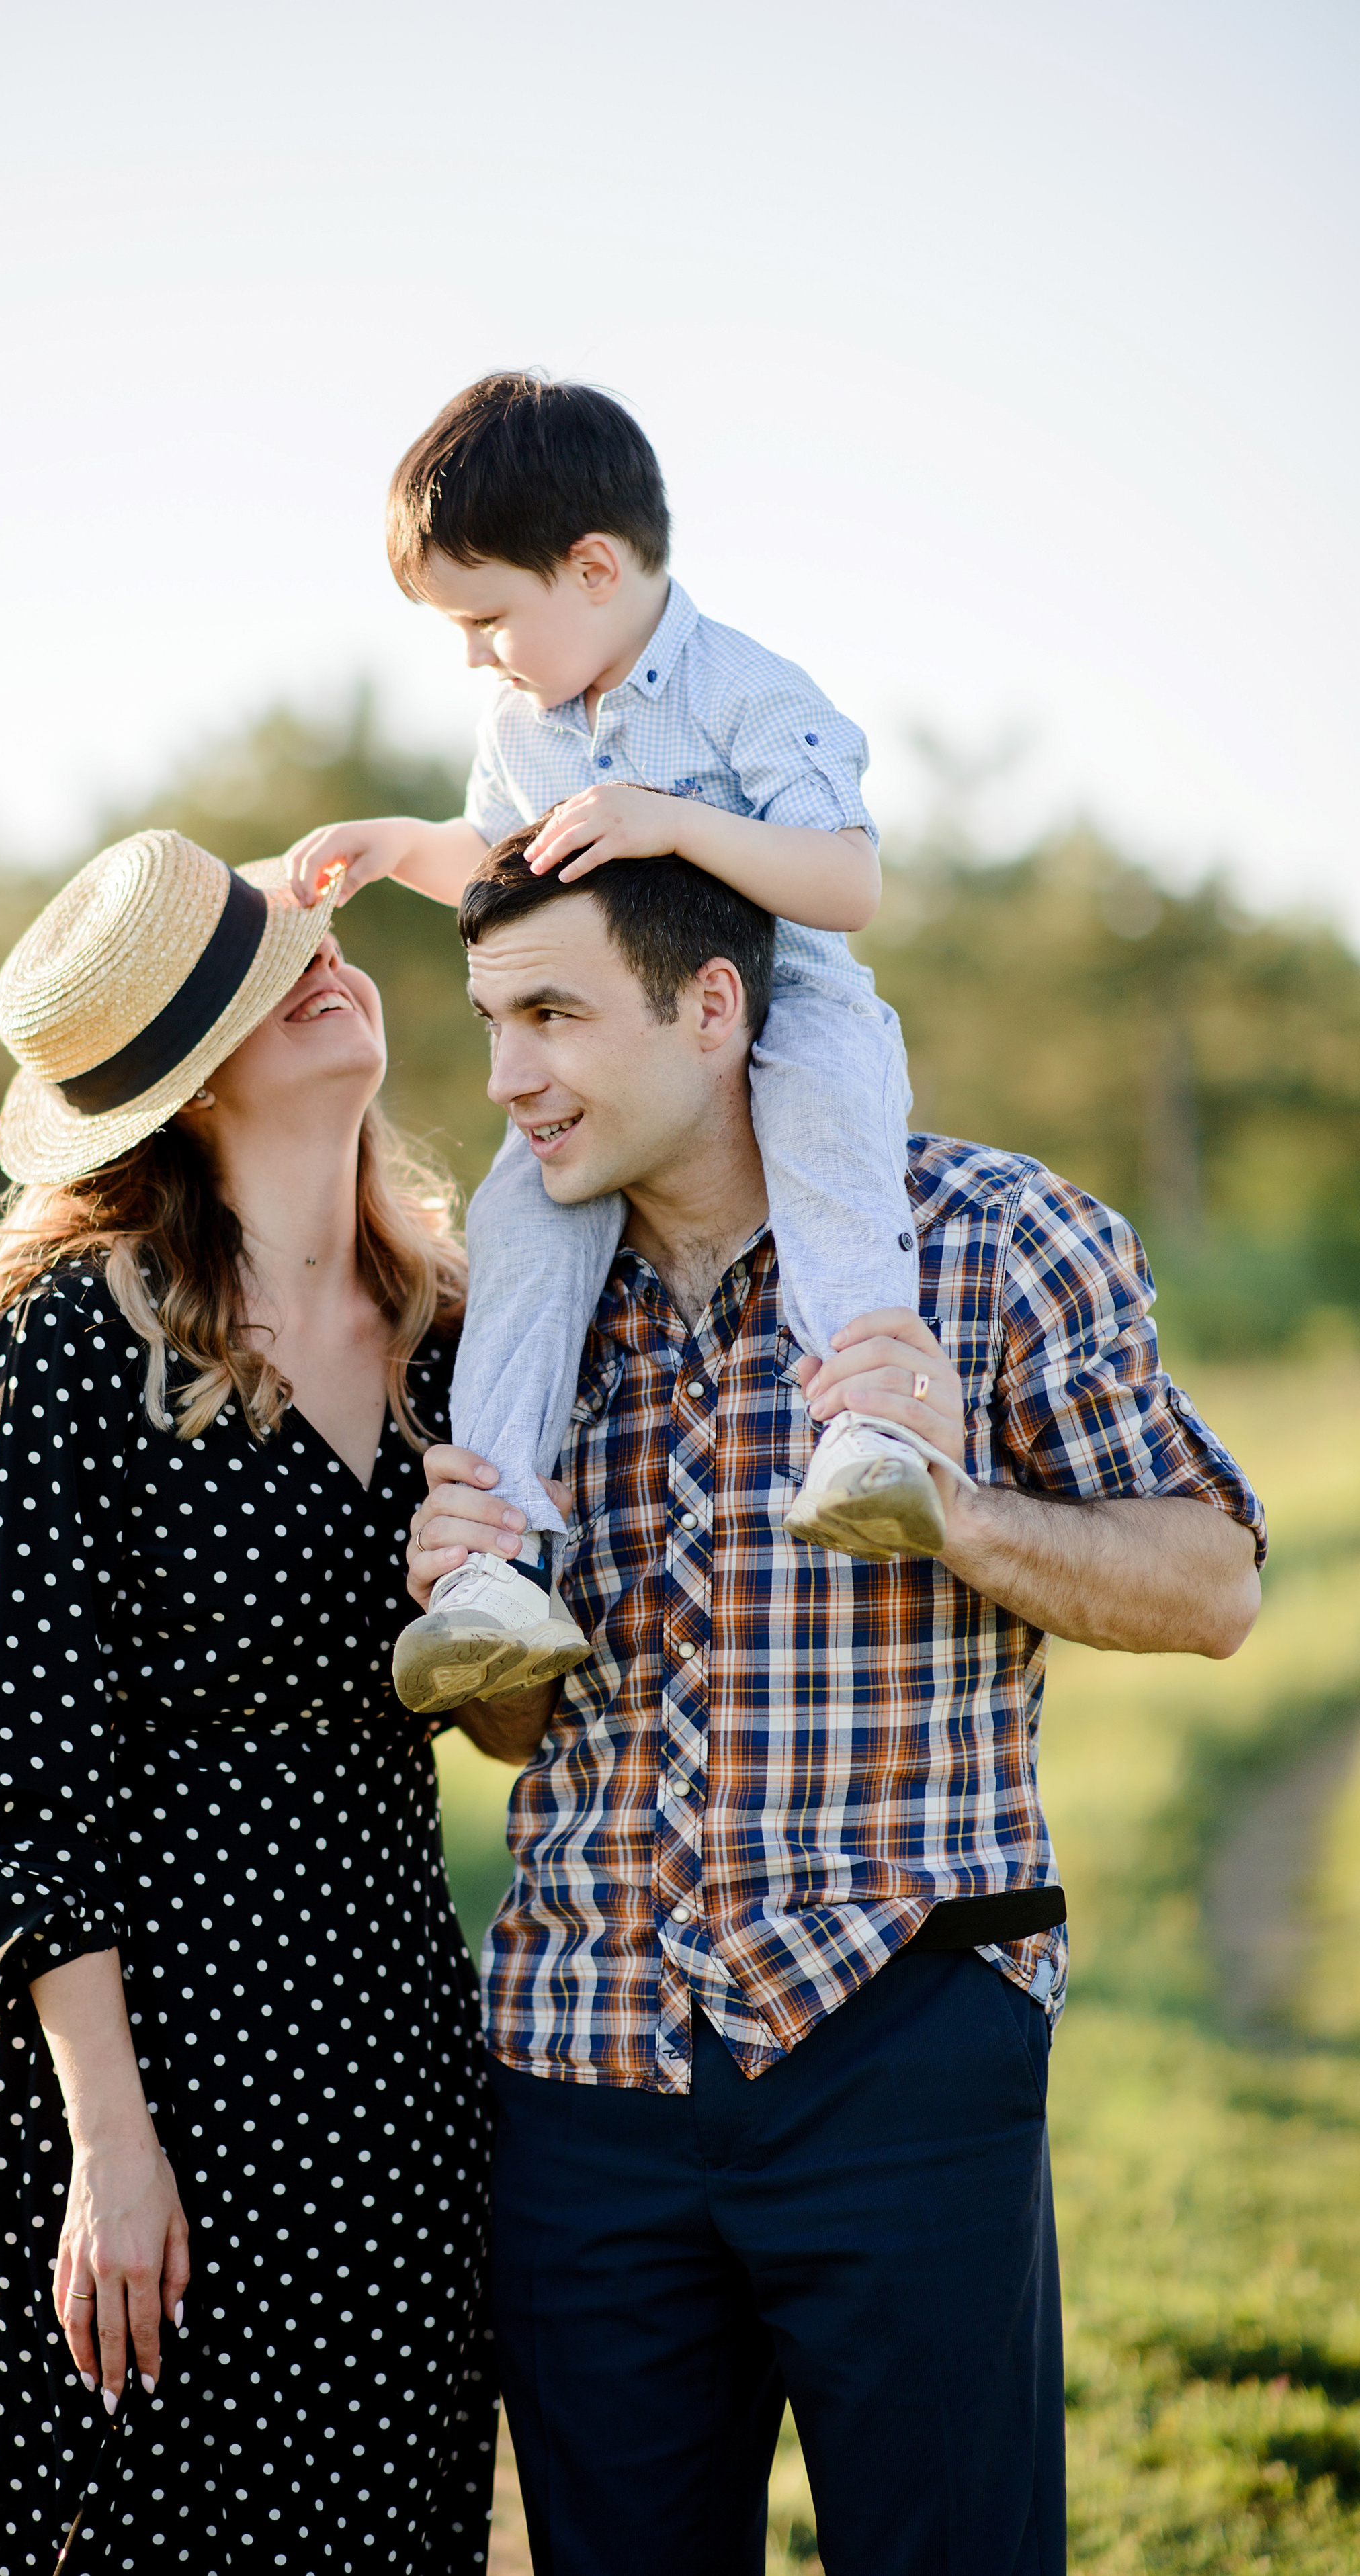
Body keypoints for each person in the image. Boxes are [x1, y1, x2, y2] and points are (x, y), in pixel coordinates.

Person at [404, 826, 1266, 2576]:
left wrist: (952, 1504)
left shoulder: (989, 1237)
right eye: (492, 1022)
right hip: (582, 2069)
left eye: (555, 1015)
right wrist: (468, 1600)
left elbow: (1215, 1579)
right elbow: (514, 1740)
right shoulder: (506, 1310)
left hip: (897, 2032)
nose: (509, 1081)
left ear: (713, 1005)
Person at [0, 830, 497, 2575]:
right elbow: (4, 1801)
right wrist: (113, 2144)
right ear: (179, 1081)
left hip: (389, 2056)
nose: (321, 956)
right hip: (150, 2066)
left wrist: (479, 1606)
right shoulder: (66, 1350)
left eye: (299, 933)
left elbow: (514, 1730)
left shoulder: (453, 1326)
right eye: (251, 970)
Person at [284, 371, 933, 1719]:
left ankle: (866, 1428)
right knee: (524, 1220)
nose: (473, 657)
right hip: (627, 1068)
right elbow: (507, 860)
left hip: (784, 1000)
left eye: (484, 620)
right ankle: (499, 1554)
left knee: (828, 1151)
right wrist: (397, 847)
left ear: (589, 568)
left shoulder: (745, 690)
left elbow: (844, 880)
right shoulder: (521, 728)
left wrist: (671, 822)